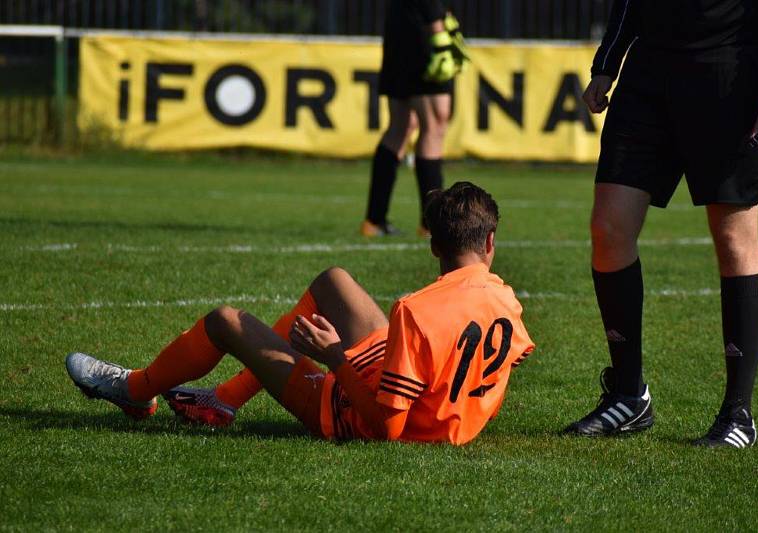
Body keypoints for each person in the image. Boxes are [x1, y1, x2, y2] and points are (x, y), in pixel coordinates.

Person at [66, 182, 534, 445]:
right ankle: (223, 401)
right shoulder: (506, 301)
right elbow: (508, 355)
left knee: (225, 321)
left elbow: (387, 429)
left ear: (433, 245)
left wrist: (336, 360)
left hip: (366, 416)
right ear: (490, 242)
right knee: (334, 280)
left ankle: (135, 391)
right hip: (423, 405)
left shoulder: (415, 311)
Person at [563, 1, 758, 448]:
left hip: (729, 71)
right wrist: (607, 64)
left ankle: (738, 414)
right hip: (649, 72)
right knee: (608, 230)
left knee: (734, 239)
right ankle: (629, 396)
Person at [360, 0, 467, 237]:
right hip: (423, 36)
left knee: (401, 126)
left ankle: (374, 221)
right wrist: (439, 37)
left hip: (400, 31)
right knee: (434, 125)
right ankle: (432, 224)